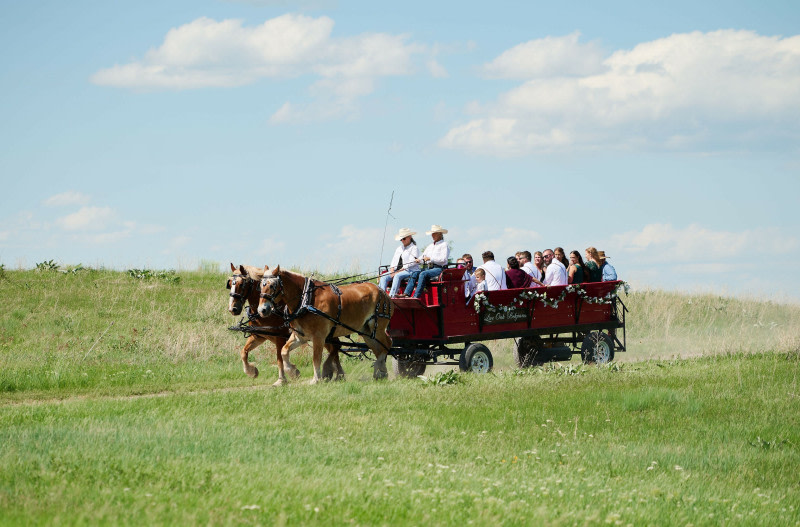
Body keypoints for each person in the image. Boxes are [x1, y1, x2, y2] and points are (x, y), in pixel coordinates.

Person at [402, 224, 451, 299]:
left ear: (440, 234)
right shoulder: (430, 246)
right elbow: (423, 256)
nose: (432, 235)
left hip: (439, 268)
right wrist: (418, 260)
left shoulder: (444, 245)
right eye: (432, 233)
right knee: (415, 273)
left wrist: (430, 259)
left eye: (434, 233)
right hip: (429, 268)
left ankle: (416, 296)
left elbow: (443, 259)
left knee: (423, 274)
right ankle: (406, 293)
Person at [379, 227, 420, 297]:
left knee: (397, 276)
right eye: (401, 239)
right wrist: (392, 270)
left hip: (410, 271)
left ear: (409, 237)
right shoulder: (399, 248)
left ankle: (392, 296)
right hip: (396, 270)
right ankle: (382, 296)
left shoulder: (414, 248)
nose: (402, 241)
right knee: (383, 276)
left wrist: (397, 272)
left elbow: (411, 263)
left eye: (404, 238)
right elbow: (394, 260)